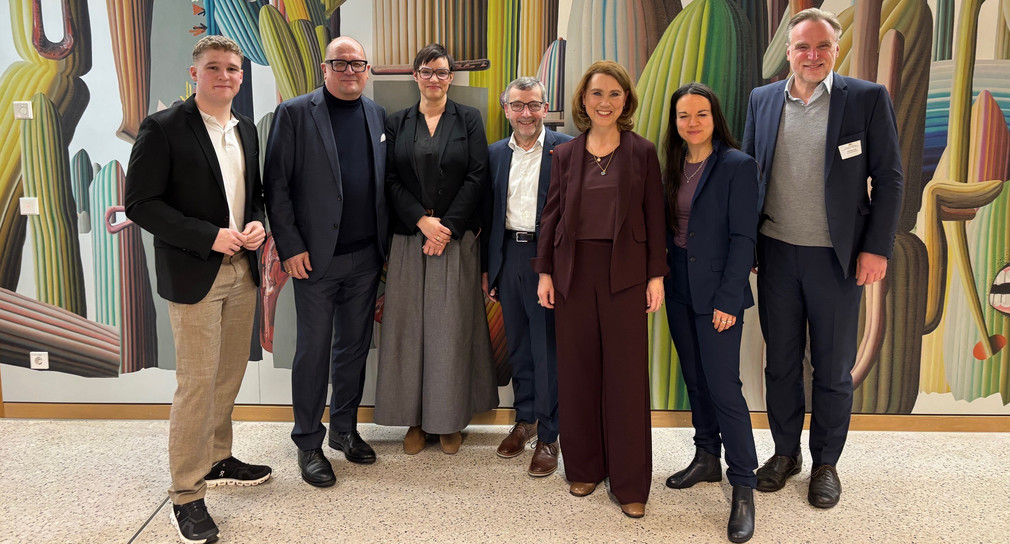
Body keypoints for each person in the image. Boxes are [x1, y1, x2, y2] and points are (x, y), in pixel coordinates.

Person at [742, 8, 903, 509]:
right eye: (802, 47)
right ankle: (785, 453)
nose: (812, 56)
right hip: (776, 253)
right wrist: (745, 246)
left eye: (822, 47)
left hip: (838, 260)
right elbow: (747, 175)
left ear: (836, 49)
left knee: (832, 369)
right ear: (789, 52)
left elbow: (890, 179)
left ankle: (826, 464)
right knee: (781, 364)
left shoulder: (867, 98)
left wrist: (876, 248)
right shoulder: (763, 99)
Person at [124, 35, 271, 544]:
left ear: (241, 77)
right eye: (213, 67)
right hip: (194, 273)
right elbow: (141, 204)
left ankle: (217, 457)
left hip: (242, 270)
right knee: (196, 385)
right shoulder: (163, 127)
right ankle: (186, 494)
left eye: (232, 68)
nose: (224, 75)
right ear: (195, 74)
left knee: (227, 377)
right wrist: (208, 236)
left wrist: (258, 223)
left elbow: (254, 196)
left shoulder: (245, 129)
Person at [532, 60, 667, 519]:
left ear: (625, 100)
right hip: (572, 273)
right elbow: (551, 216)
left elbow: (654, 216)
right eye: (596, 93)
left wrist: (655, 275)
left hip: (625, 274)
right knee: (577, 373)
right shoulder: (565, 154)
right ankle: (585, 467)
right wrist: (544, 272)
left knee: (626, 379)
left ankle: (630, 482)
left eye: (613, 94)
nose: (604, 102)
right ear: (583, 100)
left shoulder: (642, 152)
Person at [262, 36, 387, 487]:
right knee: (313, 352)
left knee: (353, 348)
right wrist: (290, 247)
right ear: (325, 67)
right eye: (341, 63)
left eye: (357, 64)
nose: (350, 70)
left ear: (366, 69)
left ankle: (345, 431)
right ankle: (309, 442)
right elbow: (276, 185)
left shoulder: (376, 114)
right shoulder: (295, 113)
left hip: (366, 256)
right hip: (314, 259)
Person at [374, 43, 498, 454]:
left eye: (441, 72)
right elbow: (390, 179)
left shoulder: (469, 119)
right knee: (408, 330)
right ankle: (413, 421)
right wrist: (422, 221)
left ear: (451, 77)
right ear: (415, 76)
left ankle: (448, 421)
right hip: (409, 237)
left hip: (455, 238)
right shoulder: (397, 121)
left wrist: (445, 228)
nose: (434, 79)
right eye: (426, 71)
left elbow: (478, 176)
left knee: (450, 330)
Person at [662, 83, 759, 543]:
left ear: (714, 117)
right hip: (679, 284)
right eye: (684, 115)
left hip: (719, 290)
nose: (692, 122)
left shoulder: (737, 165)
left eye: (701, 114)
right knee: (695, 380)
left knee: (723, 387)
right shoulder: (672, 163)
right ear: (675, 122)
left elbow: (744, 238)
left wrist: (728, 298)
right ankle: (706, 458)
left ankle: (743, 484)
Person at [482, 77, 573, 476]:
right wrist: (490, 268)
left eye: (534, 105)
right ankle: (525, 419)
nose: (526, 113)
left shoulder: (566, 149)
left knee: (546, 348)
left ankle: (550, 435)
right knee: (518, 345)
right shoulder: (494, 154)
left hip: (546, 258)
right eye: (517, 105)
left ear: (545, 108)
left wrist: (554, 266)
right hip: (508, 255)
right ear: (506, 110)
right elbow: (489, 214)